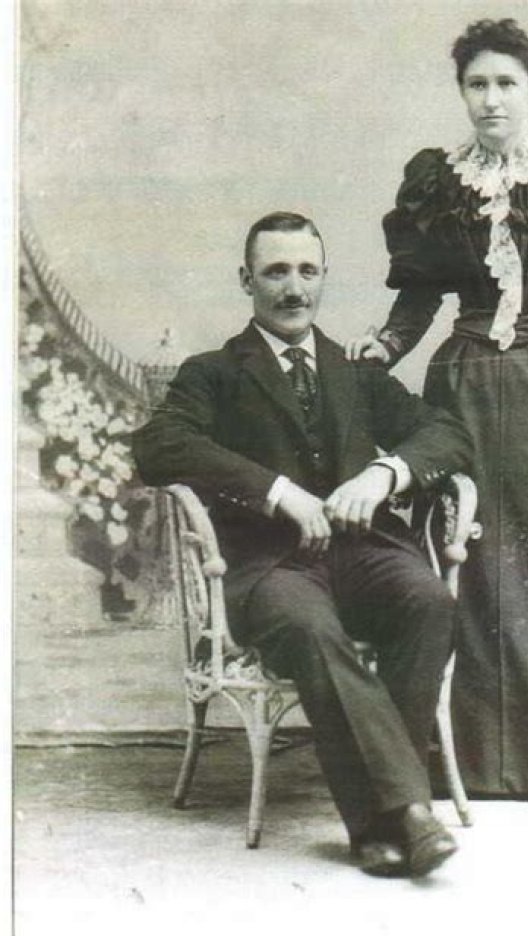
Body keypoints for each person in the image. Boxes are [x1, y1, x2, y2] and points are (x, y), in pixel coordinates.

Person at [346, 18, 528, 801]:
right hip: (463, 383)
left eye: (507, 82)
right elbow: (419, 295)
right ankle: (465, 762)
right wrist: (385, 347)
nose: (491, 99)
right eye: (477, 84)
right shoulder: (441, 182)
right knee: (462, 558)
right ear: (461, 93)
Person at [132, 212, 474, 875]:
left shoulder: (356, 373)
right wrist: (276, 490)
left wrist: (384, 473)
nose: (294, 289)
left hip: (363, 553)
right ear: (247, 280)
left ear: (324, 277)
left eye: (307, 271)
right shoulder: (213, 372)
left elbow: (448, 433)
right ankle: (403, 813)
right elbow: (158, 445)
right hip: (271, 566)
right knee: (312, 628)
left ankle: (383, 821)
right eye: (276, 272)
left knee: (429, 601)